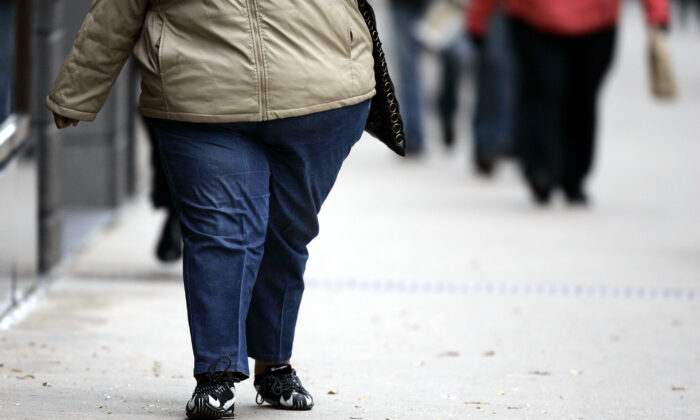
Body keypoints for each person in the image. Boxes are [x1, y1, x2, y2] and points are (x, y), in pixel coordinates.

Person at [47, 1, 376, 418]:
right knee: (223, 233)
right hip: (201, 94)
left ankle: (274, 364)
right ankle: (216, 374)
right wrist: (80, 88)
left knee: (286, 231)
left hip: (321, 92)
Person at [468, 0, 670, 204]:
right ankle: (545, 169)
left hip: (592, 21)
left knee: (574, 95)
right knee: (547, 91)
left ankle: (566, 172)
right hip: (537, 17)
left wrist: (657, 12)